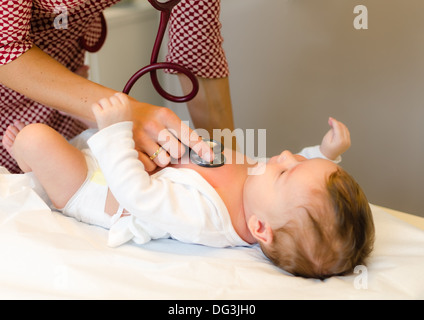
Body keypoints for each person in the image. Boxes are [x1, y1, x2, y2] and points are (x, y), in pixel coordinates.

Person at [2, 93, 375, 279]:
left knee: (36, 138)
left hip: (99, 189)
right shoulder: (261, 187)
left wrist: (116, 133)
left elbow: (140, 197)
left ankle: (30, 165)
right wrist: (325, 154)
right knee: (76, 125)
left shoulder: (208, 218)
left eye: (287, 170)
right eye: (301, 160)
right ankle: (37, 161)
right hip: (123, 160)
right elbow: (300, 182)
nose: (288, 155)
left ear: (260, 228)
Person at [0, 0, 232, 174]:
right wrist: (121, 111)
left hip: (66, 98)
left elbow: (199, 51)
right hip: (38, 92)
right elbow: (5, 45)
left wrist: (229, 163)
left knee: (58, 181)